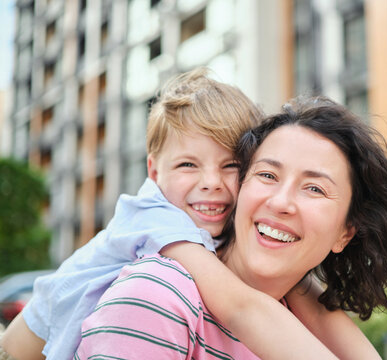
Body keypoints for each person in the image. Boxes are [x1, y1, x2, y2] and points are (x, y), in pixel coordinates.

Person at [2, 70, 367, 360]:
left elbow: (314, 304)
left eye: (230, 166)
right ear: (154, 172)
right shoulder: (158, 221)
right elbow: (241, 308)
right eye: (188, 164)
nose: (210, 183)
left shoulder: (224, 237)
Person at [75, 96, 387, 359]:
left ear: (346, 233)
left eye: (314, 188)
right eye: (267, 175)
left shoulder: (311, 324)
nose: (280, 202)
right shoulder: (160, 295)